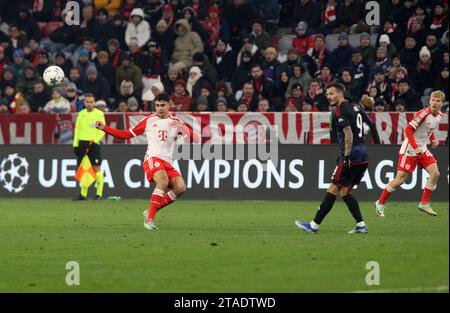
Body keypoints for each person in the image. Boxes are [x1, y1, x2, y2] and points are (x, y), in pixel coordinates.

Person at [95, 93, 188, 230]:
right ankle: (149, 220)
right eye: (157, 105)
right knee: (163, 181)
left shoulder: (175, 122)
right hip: (153, 158)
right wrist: (105, 128)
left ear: (169, 105)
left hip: (168, 161)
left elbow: (193, 136)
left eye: (163, 105)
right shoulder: (149, 121)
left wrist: (183, 128)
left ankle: (151, 210)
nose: (160, 108)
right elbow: (125, 134)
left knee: (180, 188)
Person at [295, 83, 369, 234]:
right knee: (344, 192)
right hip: (363, 155)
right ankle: (361, 225)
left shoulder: (340, 109)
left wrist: (346, 157)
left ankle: (313, 225)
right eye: (327, 94)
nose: (328, 96)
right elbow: (371, 125)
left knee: (333, 188)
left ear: (340, 93)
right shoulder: (355, 107)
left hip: (352, 155)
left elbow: (348, 133)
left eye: (331, 93)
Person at [375, 91, 446, 217]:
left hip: (422, 148)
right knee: (400, 180)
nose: (435, 103)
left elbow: (429, 128)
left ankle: (424, 203)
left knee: (435, 173)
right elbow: (408, 129)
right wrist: (415, 147)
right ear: (429, 101)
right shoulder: (423, 113)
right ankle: (380, 203)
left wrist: (433, 139)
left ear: (441, 103)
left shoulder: (439, 115)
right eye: (433, 100)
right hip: (410, 149)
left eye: (438, 101)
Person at [73, 93, 106, 201]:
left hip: (94, 144)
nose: (89, 104)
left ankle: (99, 194)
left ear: (94, 102)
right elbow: (77, 130)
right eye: (87, 102)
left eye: (91, 102)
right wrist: (75, 144)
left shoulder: (99, 114)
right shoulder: (81, 114)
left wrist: (95, 141)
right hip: (82, 143)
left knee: (96, 167)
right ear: (84, 103)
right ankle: (83, 194)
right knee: (83, 167)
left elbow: (102, 130)